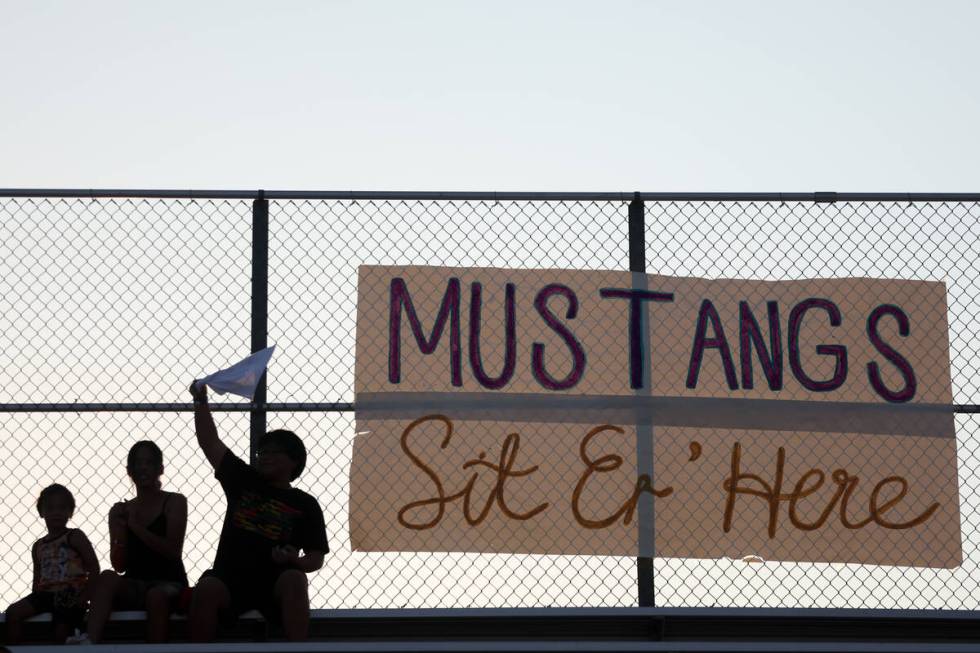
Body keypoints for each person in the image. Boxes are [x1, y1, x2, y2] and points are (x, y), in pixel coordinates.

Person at [187, 380, 328, 642]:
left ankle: (298, 650)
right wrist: (200, 401)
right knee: (206, 588)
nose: (264, 456)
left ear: (293, 461)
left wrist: (293, 561)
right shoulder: (243, 480)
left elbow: (315, 558)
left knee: (295, 581)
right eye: (262, 451)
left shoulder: (305, 503)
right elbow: (209, 441)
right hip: (231, 577)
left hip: (274, 581)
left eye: (274, 452)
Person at [83, 440, 188, 644]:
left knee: (156, 596)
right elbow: (119, 565)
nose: (142, 467)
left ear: (160, 468)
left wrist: (136, 526)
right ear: (129, 470)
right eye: (137, 463)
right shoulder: (122, 510)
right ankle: (88, 642)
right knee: (106, 577)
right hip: (135, 583)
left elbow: (173, 551)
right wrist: (119, 530)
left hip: (169, 582)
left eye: (149, 462)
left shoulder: (175, 501)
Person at [4, 484, 100, 644]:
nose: (56, 512)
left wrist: (85, 596)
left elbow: (94, 567)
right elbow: (37, 577)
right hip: (45, 595)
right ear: (41, 512)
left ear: (70, 512)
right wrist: (34, 598)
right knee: (13, 612)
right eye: (50, 508)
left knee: (61, 630)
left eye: (62, 508)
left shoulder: (75, 536)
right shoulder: (38, 546)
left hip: (70, 593)